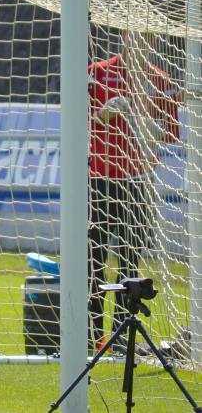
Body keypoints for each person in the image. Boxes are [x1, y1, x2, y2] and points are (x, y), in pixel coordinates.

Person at [87, 31, 180, 351]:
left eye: (148, 37)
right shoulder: (97, 72)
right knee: (92, 260)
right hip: (98, 180)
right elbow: (78, 121)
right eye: (135, 36)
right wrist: (103, 114)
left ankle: (121, 339)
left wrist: (147, 123)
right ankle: (88, 337)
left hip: (138, 181)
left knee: (130, 263)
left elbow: (171, 134)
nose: (141, 42)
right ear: (125, 36)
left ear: (154, 41)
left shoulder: (160, 79)